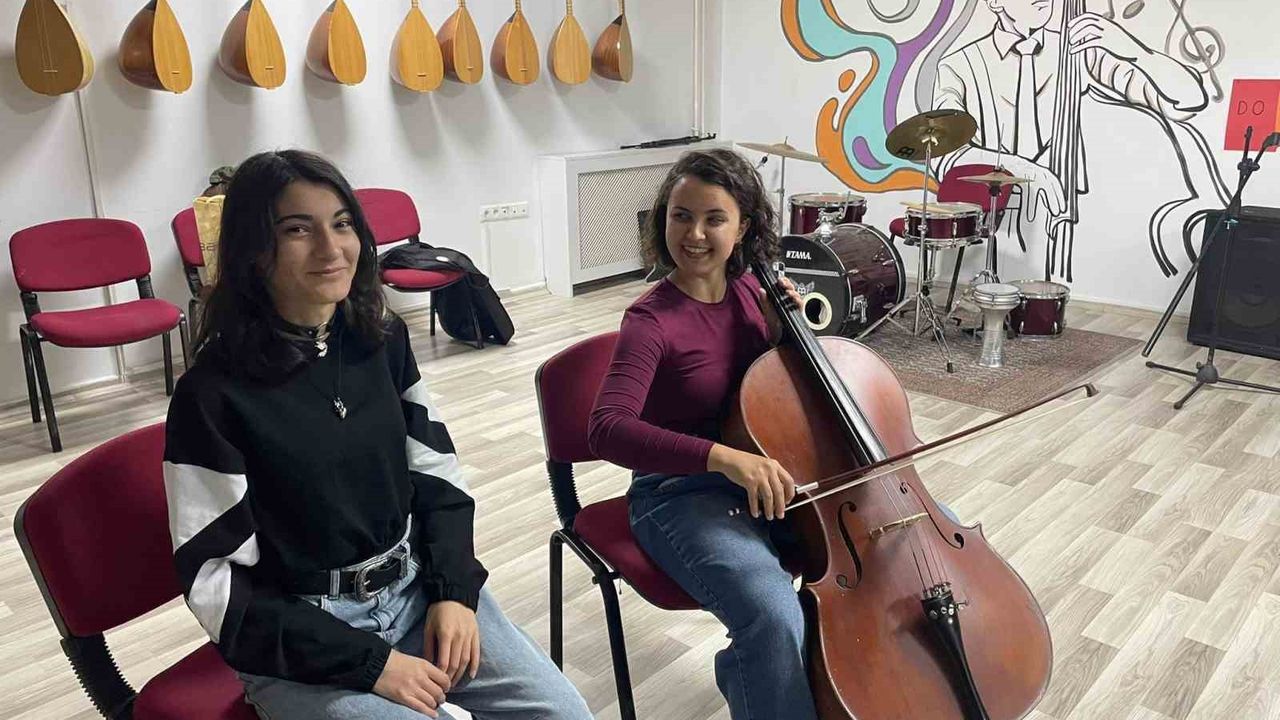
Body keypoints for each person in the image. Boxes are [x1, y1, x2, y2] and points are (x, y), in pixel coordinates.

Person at [162, 149, 593, 720]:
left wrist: (453, 591)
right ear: (254, 250)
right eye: (297, 229)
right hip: (305, 637)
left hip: (415, 589)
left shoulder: (381, 340)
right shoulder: (212, 394)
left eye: (342, 224)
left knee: (565, 713)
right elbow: (216, 583)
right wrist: (371, 663)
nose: (331, 248)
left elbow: (436, 476)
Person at [587, 148, 819, 720]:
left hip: (766, 480)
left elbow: (771, 399)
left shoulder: (752, 293)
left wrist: (781, 336)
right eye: (681, 215)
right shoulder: (651, 319)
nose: (694, 234)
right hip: (678, 495)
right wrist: (723, 458)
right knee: (772, 613)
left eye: (714, 219)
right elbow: (607, 429)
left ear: (743, 227)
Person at [933, 0, 1208, 229]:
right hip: (992, 220)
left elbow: (1186, 102)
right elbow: (944, 153)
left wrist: (1135, 51)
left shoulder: (1078, 51)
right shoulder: (958, 66)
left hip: (1067, 216)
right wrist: (1022, 169)